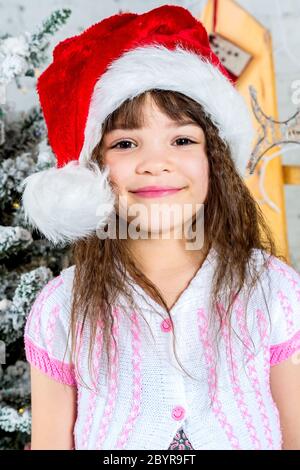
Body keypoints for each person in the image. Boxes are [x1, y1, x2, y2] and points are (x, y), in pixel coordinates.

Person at [21, 4, 300, 450]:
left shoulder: (273, 291)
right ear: (93, 168)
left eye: (182, 139)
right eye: (126, 143)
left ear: (215, 161)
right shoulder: (62, 309)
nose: (156, 164)